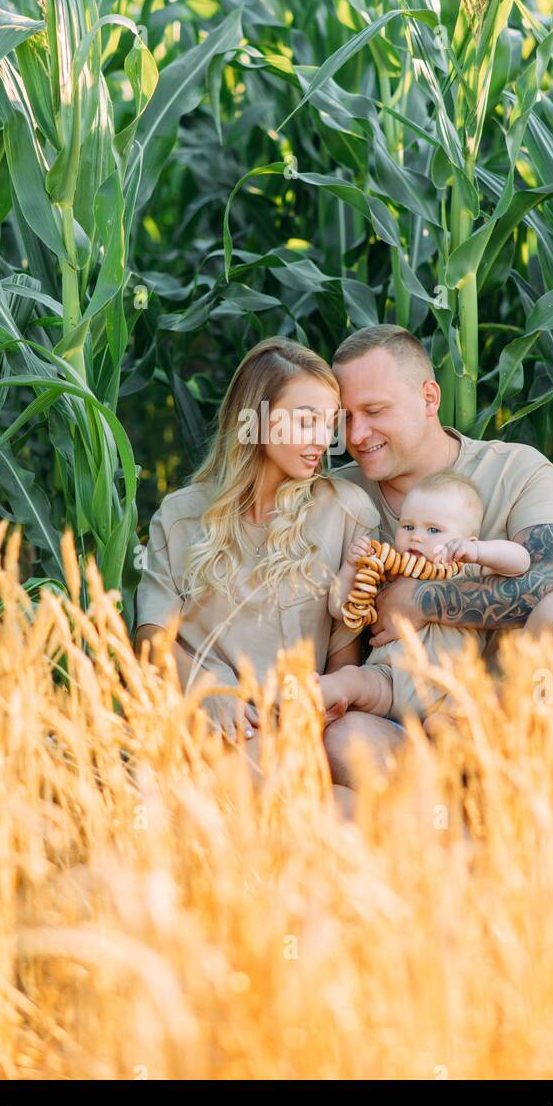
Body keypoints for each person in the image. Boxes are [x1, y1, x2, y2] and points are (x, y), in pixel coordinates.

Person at [324, 324, 553, 790]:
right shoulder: (339, 495)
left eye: (374, 411)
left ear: (429, 398)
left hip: (522, 703)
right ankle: (463, 826)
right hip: (412, 720)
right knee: (345, 739)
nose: (357, 434)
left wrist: (421, 601)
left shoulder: (515, 469)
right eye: (346, 417)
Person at [133, 337, 380, 788]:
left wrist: (320, 707)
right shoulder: (182, 515)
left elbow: (345, 656)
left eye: (329, 424)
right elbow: (152, 638)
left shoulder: (345, 512)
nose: (323, 441)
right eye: (307, 422)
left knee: (340, 806)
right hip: (206, 726)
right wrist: (209, 691)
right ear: (256, 419)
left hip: (298, 739)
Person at [319, 470, 530, 732]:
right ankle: (309, 695)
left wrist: (479, 552)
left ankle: (442, 746)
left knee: (451, 719)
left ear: (466, 540)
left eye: (433, 529)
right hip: (388, 681)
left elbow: (521, 561)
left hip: (447, 688)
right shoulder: (389, 571)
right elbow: (339, 608)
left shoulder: (468, 570)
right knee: (352, 678)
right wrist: (352, 567)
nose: (416, 536)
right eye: (408, 526)